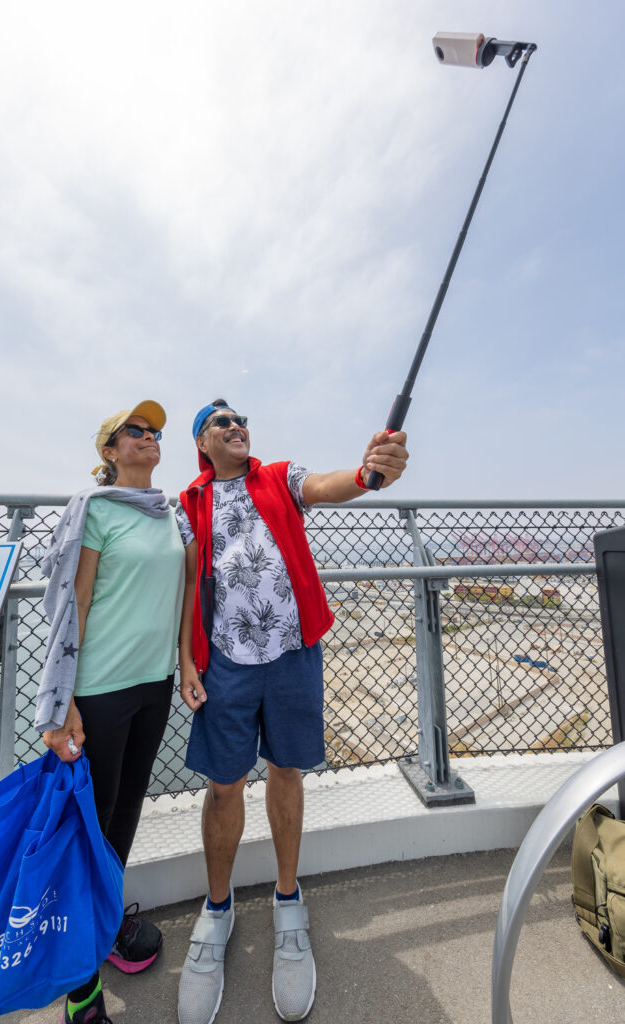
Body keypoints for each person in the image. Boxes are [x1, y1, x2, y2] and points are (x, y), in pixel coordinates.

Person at [174, 399, 409, 1023]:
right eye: (221, 423)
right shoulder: (189, 504)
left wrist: (368, 474)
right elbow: (186, 585)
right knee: (224, 788)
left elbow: (327, 486)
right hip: (223, 661)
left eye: (240, 419)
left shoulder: (278, 477)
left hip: (292, 652)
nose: (236, 427)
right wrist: (186, 659)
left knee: (287, 772)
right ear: (202, 442)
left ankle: (287, 902)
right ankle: (217, 911)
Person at [35, 400, 185, 1024]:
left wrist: (185, 664)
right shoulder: (95, 511)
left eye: (155, 432)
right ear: (110, 450)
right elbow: (75, 606)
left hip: (156, 684)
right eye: (136, 431)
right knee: (87, 819)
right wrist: (60, 697)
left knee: (124, 809)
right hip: (99, 688)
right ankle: (78, 981)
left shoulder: (169, 514)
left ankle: (104, 917)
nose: (150, 438)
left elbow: (179, 599)